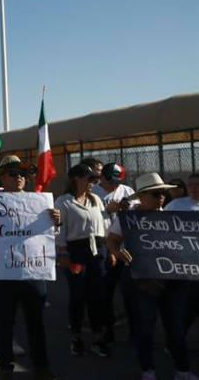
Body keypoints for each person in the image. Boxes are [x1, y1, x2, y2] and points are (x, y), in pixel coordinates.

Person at [106, 173, 198, 380]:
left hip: (174, 280)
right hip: (141, 281)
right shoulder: (129, 218)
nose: (161, 198)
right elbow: (111, 240)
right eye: (155, 194)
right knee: (145, 327)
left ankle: (182, 370)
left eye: (163, 193)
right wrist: (117, 252)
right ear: (141, 195)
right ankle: (148, 370)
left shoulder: (171, 216)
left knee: (175, 328)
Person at [0, 156, 61, 380]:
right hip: (5, 273)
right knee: (5, 321)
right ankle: (6, 366)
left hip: (33, 271)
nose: (19, 178)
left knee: (36, 321)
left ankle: (41, 366)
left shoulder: (39, 202)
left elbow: (48, 237)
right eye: (13, 174)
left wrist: (56, 223)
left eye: (22, 174)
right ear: (2, 178)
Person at [54, 164, 112, 358]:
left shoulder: (95, 200)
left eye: (95, 180)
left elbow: (104, 225)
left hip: (98, 252)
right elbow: (60, 229)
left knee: (97, 295)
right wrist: (63, 253)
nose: (93, 183)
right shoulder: (64, 202)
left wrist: (110, 248)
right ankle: (76, 336)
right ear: (77, 179)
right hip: (76, 253)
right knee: (78, 294)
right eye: (90, 179)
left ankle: (97, 337)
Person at [92, 162, 136, 344]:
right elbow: (88, 219)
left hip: (126, 247)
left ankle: (135, 331)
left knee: (131, 293)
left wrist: (128, 208)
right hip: (104, 245)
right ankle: (107, 329)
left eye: (117, 181)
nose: (114, 185)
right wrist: (105, 211)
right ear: (101, 178)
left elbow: (139, 212)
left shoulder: (126, 191)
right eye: (110, 182)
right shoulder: (93, 193)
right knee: (106, 291)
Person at [164, 173, 199, 341]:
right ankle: (175, 341)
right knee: (188, 306)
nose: (194, 187)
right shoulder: (176, 205)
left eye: (197, 184)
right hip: (184, 265)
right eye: (191, 184)